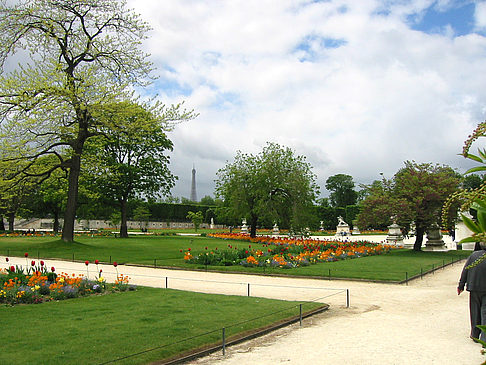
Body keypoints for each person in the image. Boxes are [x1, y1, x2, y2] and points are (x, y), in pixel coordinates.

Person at [458, 243, 486, 342]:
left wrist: (461, 285)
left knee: (475, 312)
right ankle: (484, 338)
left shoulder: (474, 255)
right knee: (484, 312)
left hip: (474, 287)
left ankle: (475, 334)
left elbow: (465, 270)